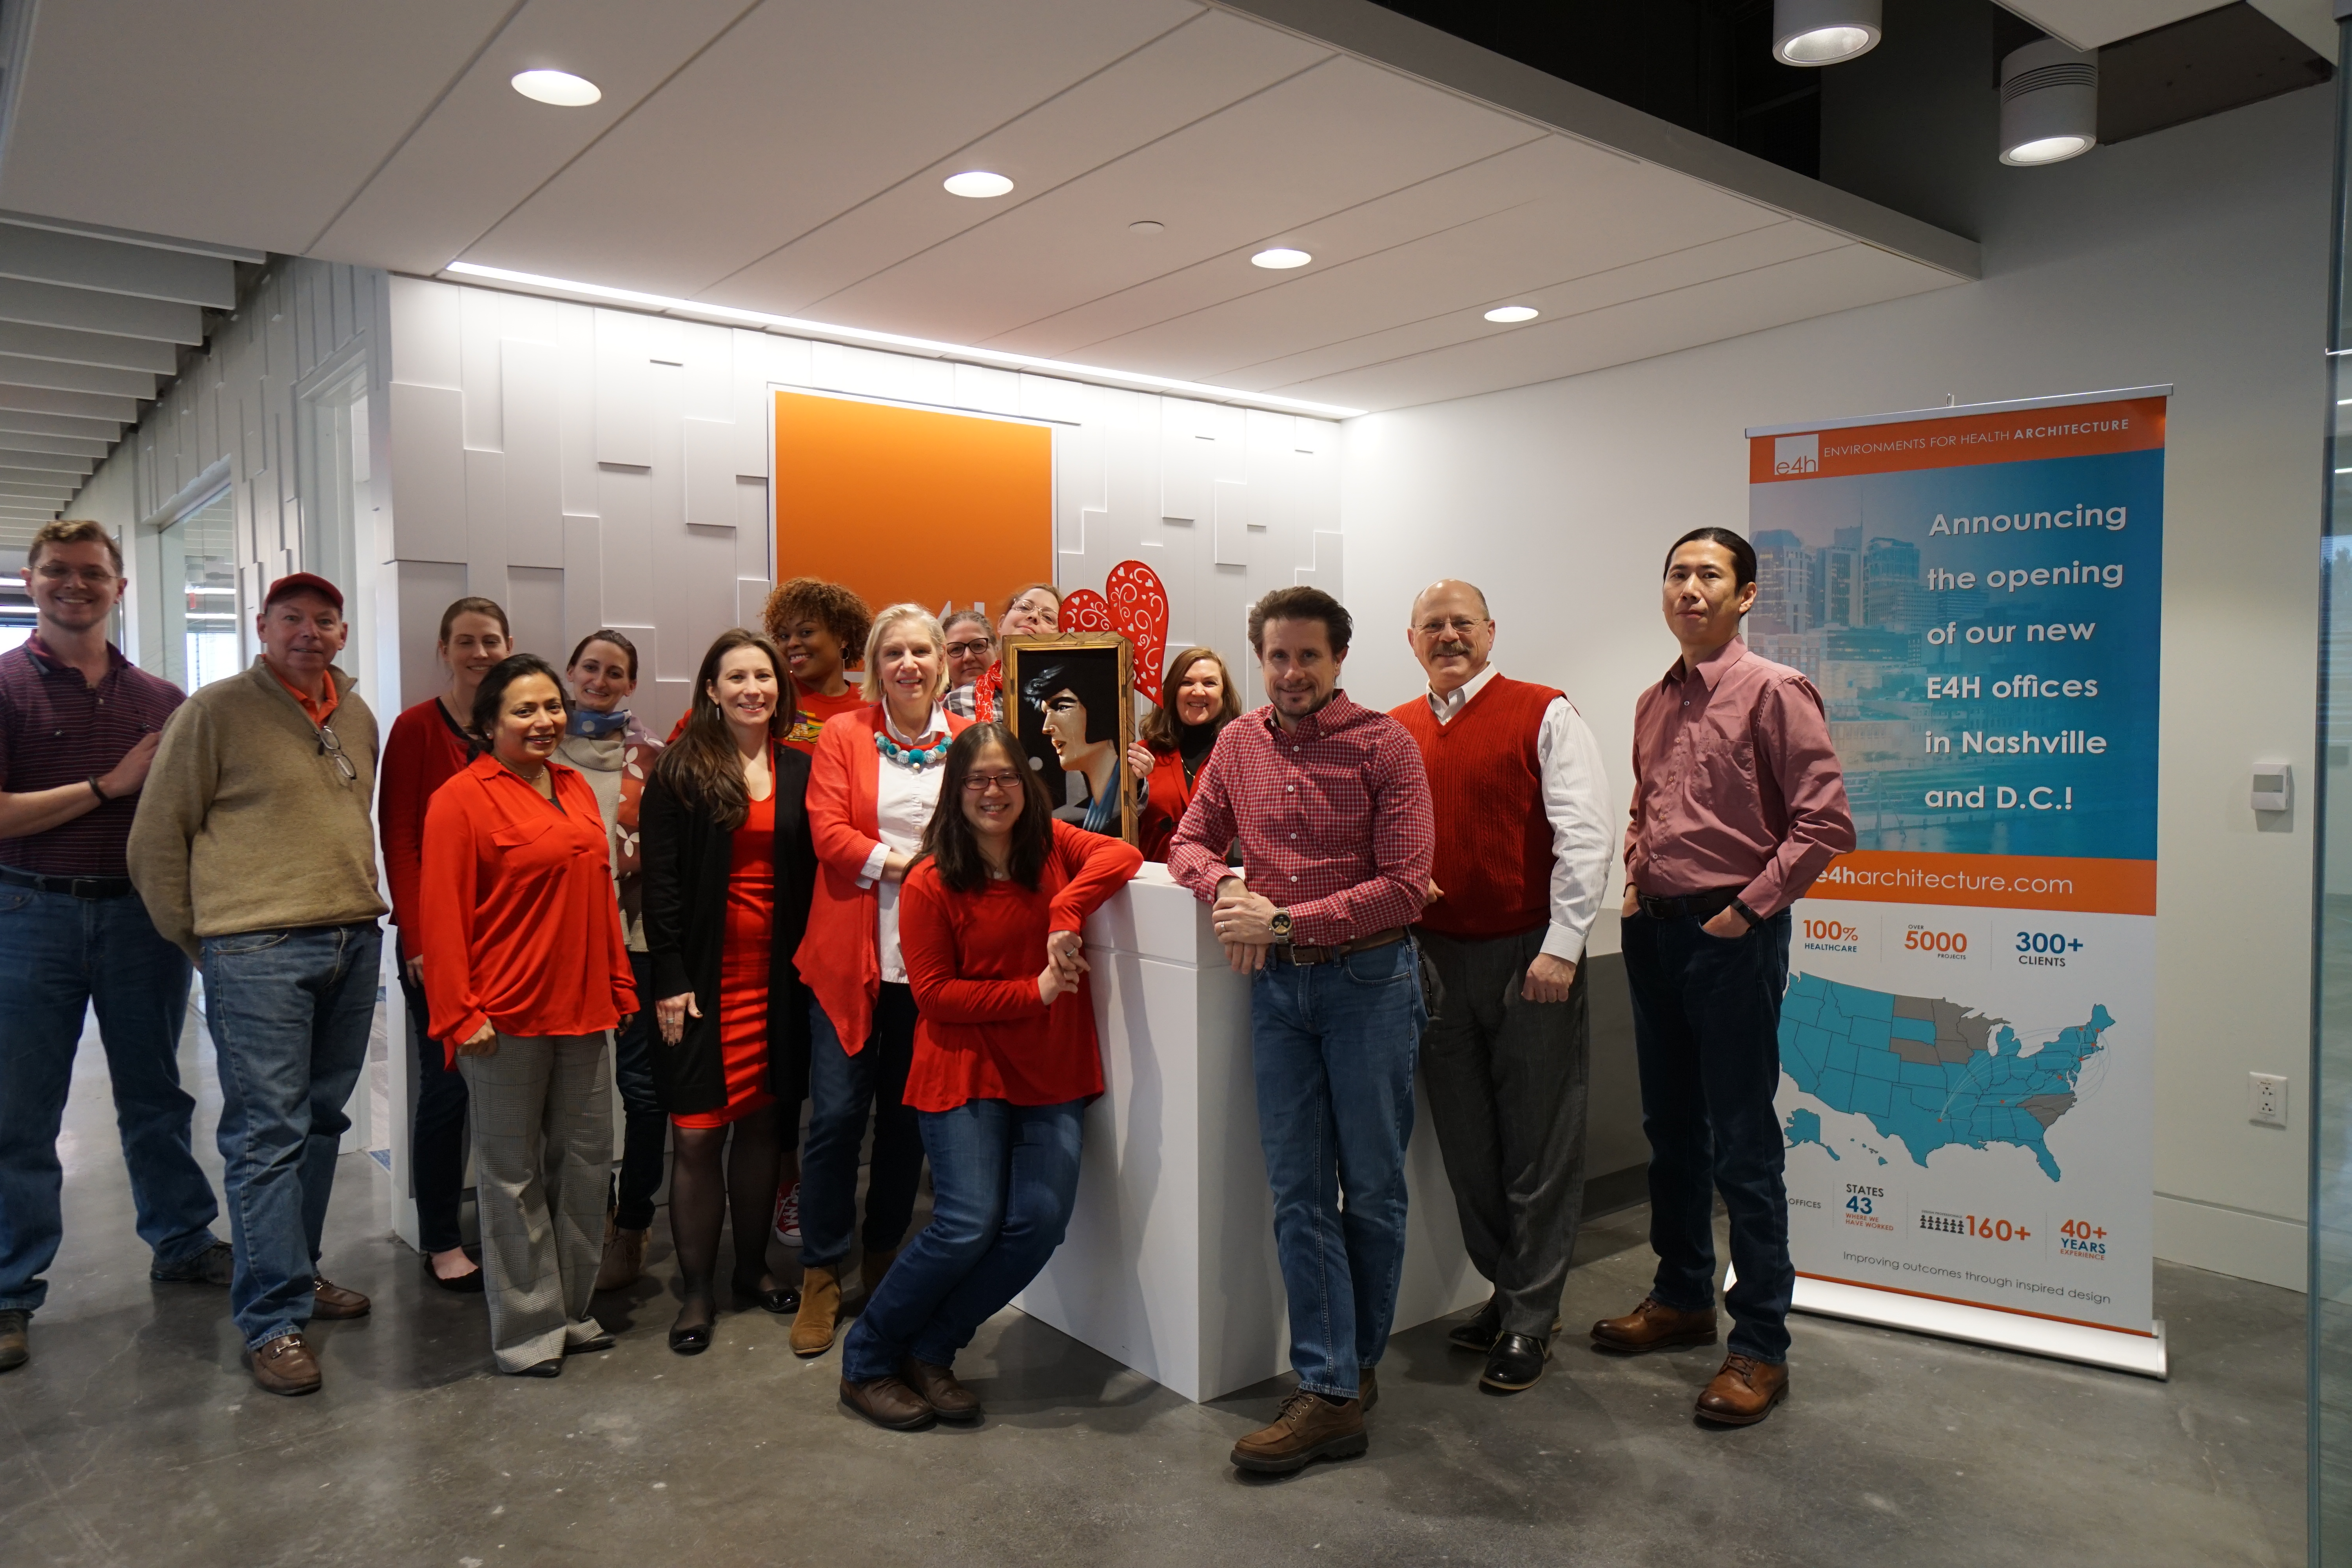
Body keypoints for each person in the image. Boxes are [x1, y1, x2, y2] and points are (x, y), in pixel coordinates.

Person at [1166, 585, 1433, 1476]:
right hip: (1280, 994)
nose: (1290, 673)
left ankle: (1348, 1373)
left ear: (1338, 658)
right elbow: (1187, 841)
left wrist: (1282, 922)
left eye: (1308, 656)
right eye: (1277, 657)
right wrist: (1227, 885)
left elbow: (1405, 885)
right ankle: (1330, 1385)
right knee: (1298, 1192)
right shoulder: (1238, 744)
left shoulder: (1385, 746)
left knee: (1374, 1188)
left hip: (1370, 984)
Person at [1592, 526, 1854, 1428]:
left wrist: (1747, 910)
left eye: (1709, 574)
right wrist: (1636, 878)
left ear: (1745, 595)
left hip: (1730, 939)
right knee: (1671, 1130)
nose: (1689, 587)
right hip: (1657, 933)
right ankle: (1681, 1296)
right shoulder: (1652, 700)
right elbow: (1648, 803)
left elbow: (1824, 823)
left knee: (1742, 1140)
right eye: (1677, 573)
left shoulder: (1775, 690)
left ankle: (1760, 1345)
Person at [836, 724, 1140, 1429]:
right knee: (965, 1224)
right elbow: (936, 996)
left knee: (1038, 1222)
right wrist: (1035, 991)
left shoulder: (1052, 846)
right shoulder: (930, 879)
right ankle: (868, 1359)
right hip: (964, 1067)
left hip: (1051, 1068)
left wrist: (1066, 909)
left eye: (1006, 777)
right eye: (977, 779)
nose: (993, 792)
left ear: (1027, 786)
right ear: (956, 791)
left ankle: (932, 1350)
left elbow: (1122, 853)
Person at [128, 572, 387, 1397]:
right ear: (263, 627)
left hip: (352, 939)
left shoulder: (356, 715)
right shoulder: (214, 712)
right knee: (266, 1136)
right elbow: (155, 839)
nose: (309, 632)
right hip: (257, 948)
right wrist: (202, 942)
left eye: (325, 620)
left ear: (342, 633)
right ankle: (272, 1320)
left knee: (321, 1122)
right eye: (292, 618)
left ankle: (296, 1271)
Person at [0, 520, 230, 1376]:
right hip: (29, 913)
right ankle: (10, 1288)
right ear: (31, 581)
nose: (75, 585)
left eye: (92, 573)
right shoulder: (5, 687)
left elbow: (187, 817)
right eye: (57, 571)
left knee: (155, 1094)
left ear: (119, 587)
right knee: (22, 1111)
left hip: (140, 920)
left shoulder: (162, 700)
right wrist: (108, 786)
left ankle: (182, 1239)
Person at [1390, 580, 1615, 1394]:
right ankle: (1510, 1288)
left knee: (1540, 1141)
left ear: (1490, 632)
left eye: (1463, 623)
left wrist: (1562, 947)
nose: (1448, 636)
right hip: (1433, 960)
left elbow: (1585, 835)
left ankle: (1529, 1317)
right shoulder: (1395, 729)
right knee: (1468, 1144)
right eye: (1433, 626)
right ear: (1412, 640)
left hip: (1530, 958)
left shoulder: (1544, 712)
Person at [417, 655, 636, 1377]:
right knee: (511, 1178)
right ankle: (528, 1330)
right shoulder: (460, 799)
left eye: (551, 707)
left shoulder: (573, 786)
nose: (544, 721)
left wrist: (619, 983)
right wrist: (459, 1014)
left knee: (585, 1167)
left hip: (584, 1009)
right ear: (489, 724)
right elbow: (441, 917)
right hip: (502, 1019)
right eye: (524, 710)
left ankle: (571, 1313)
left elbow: (600, 894)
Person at [791, 603, 971, 1357]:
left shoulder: (968, 740)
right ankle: (822, 1271)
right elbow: (829, 832)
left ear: (941, 663)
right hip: (849, 958)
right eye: (892, 652)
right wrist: (914, 869)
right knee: (836, 1119)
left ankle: (883, 1255)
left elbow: (988, 824)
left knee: (906, 1124)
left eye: (920, 651)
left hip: (933, 968)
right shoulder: (844, 734)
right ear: (873, 665)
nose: (908, 664)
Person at [641, 630, 818, 1353]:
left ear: (781, 688)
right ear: (711, 690)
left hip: (780, 981)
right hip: (701, 985)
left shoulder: (803, 769)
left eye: (764, 676)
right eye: (737, 677)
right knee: (696, 1135)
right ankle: (697, 1291)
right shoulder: (680, 770)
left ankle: (751, 1269)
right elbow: (662, 884)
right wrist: (670, 977)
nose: (753, 689)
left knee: (763, 1129)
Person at [378, 596, 510, 1294]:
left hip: (508, 938)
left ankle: (508, 1226)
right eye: (466, 641)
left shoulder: (515, 723)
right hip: (438, 942)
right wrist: (422, 941)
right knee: (448, 1086)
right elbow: (399, 839)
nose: (479, 653)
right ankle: (440, 1238)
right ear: (444, 649)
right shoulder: (415, 729)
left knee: (508, 1090)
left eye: (491, 640)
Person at [554, 630, 667, 1292]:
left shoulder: (653, 757)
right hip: (564, 945)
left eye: (615, 672)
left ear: (631, 684)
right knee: (573, 1092)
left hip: (638, 943)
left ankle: (634, 1221)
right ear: (571, 672)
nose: (600, 680)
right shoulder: (537, 751)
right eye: (590, 667)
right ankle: (586, 1215)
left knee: (643, 1092)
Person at [1020, 653, 1155, 839]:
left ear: (1098, 707)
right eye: (1046, 713)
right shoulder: (1097, 810)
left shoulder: (1122, 798)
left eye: (1062, 707)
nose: (1046, 728)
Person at [1136, 646, 1241, 862]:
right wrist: (1133, 786)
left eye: (1210, 683)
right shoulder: (1142, 755)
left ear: (1224, 694)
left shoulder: (1242, 755)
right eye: (1187, 683)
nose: (1199, 692)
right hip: (1152, 879)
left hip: (1219, 880)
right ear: (1173, 692)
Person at [766, 577, 874, 751]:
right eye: (784, 636)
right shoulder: (772, 697)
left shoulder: (869, 712)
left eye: (806, 632)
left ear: (842, 637)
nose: (792, 644)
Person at [940, 610, 995, 721]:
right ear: (943, 659)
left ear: (996, 649)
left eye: (978, 646)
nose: (968, 657)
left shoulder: (1017, 700)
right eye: (956, 649)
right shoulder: (933, 713)